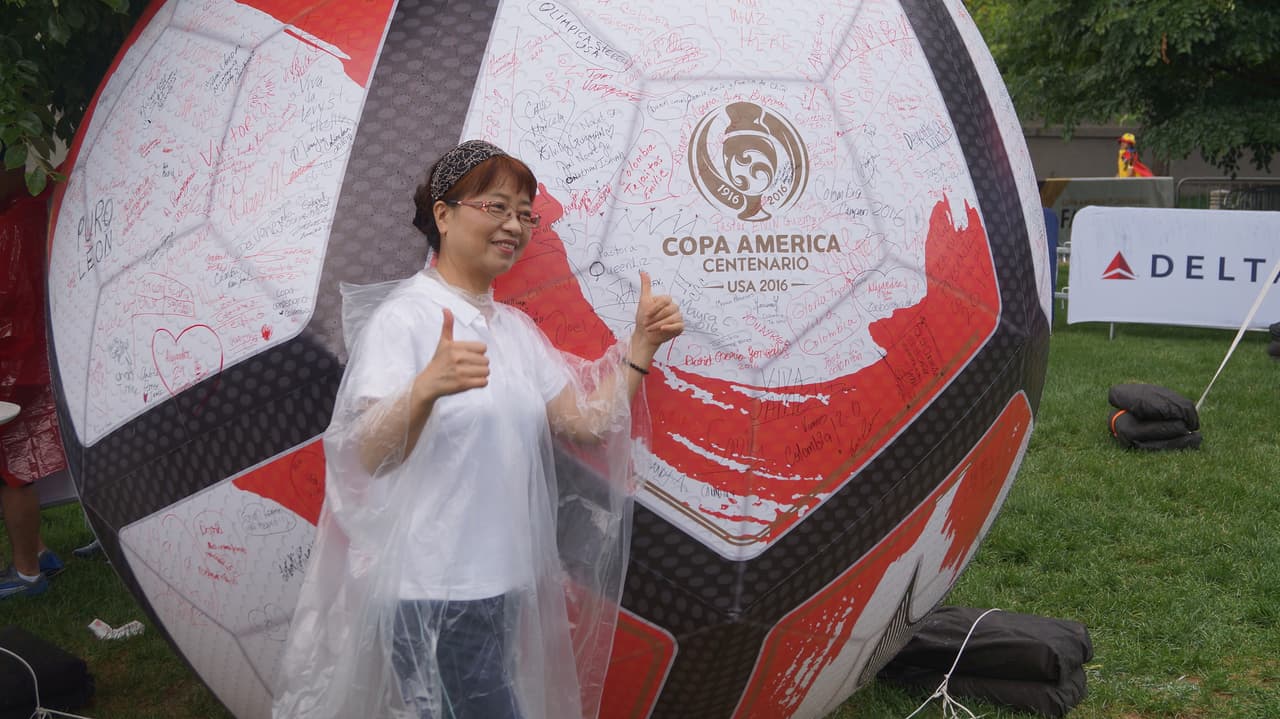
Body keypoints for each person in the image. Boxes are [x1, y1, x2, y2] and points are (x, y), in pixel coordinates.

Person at [274, 140, 683, 719]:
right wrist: (423, 390)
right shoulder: (407, 319)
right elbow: (366, 451)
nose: (513, 225)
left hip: (503, 581)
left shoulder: (513, 330)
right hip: (433, 590)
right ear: (443, 214)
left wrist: (640, 347)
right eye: (495, 207)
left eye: (524, 213)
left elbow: (586, 422)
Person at [0, 190, 67, 600]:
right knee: (16, 463)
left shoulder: (11, 223)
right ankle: (37, 554)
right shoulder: (30, 206)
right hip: (28, 359)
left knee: (13, 473)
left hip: (11, 362)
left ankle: (26, 573)